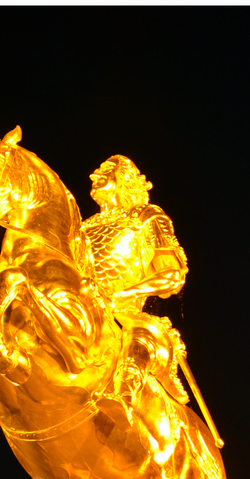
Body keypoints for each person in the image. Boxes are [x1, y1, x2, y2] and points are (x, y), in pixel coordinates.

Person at [82, 156, 192, 459]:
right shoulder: (83, 227)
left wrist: (123, 294)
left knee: (139, 337)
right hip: (83, 308)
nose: (94, 176)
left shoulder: (146, 216)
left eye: (104, 172)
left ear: (123, 178)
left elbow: (171, 274)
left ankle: (123, 398)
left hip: (125, 311)